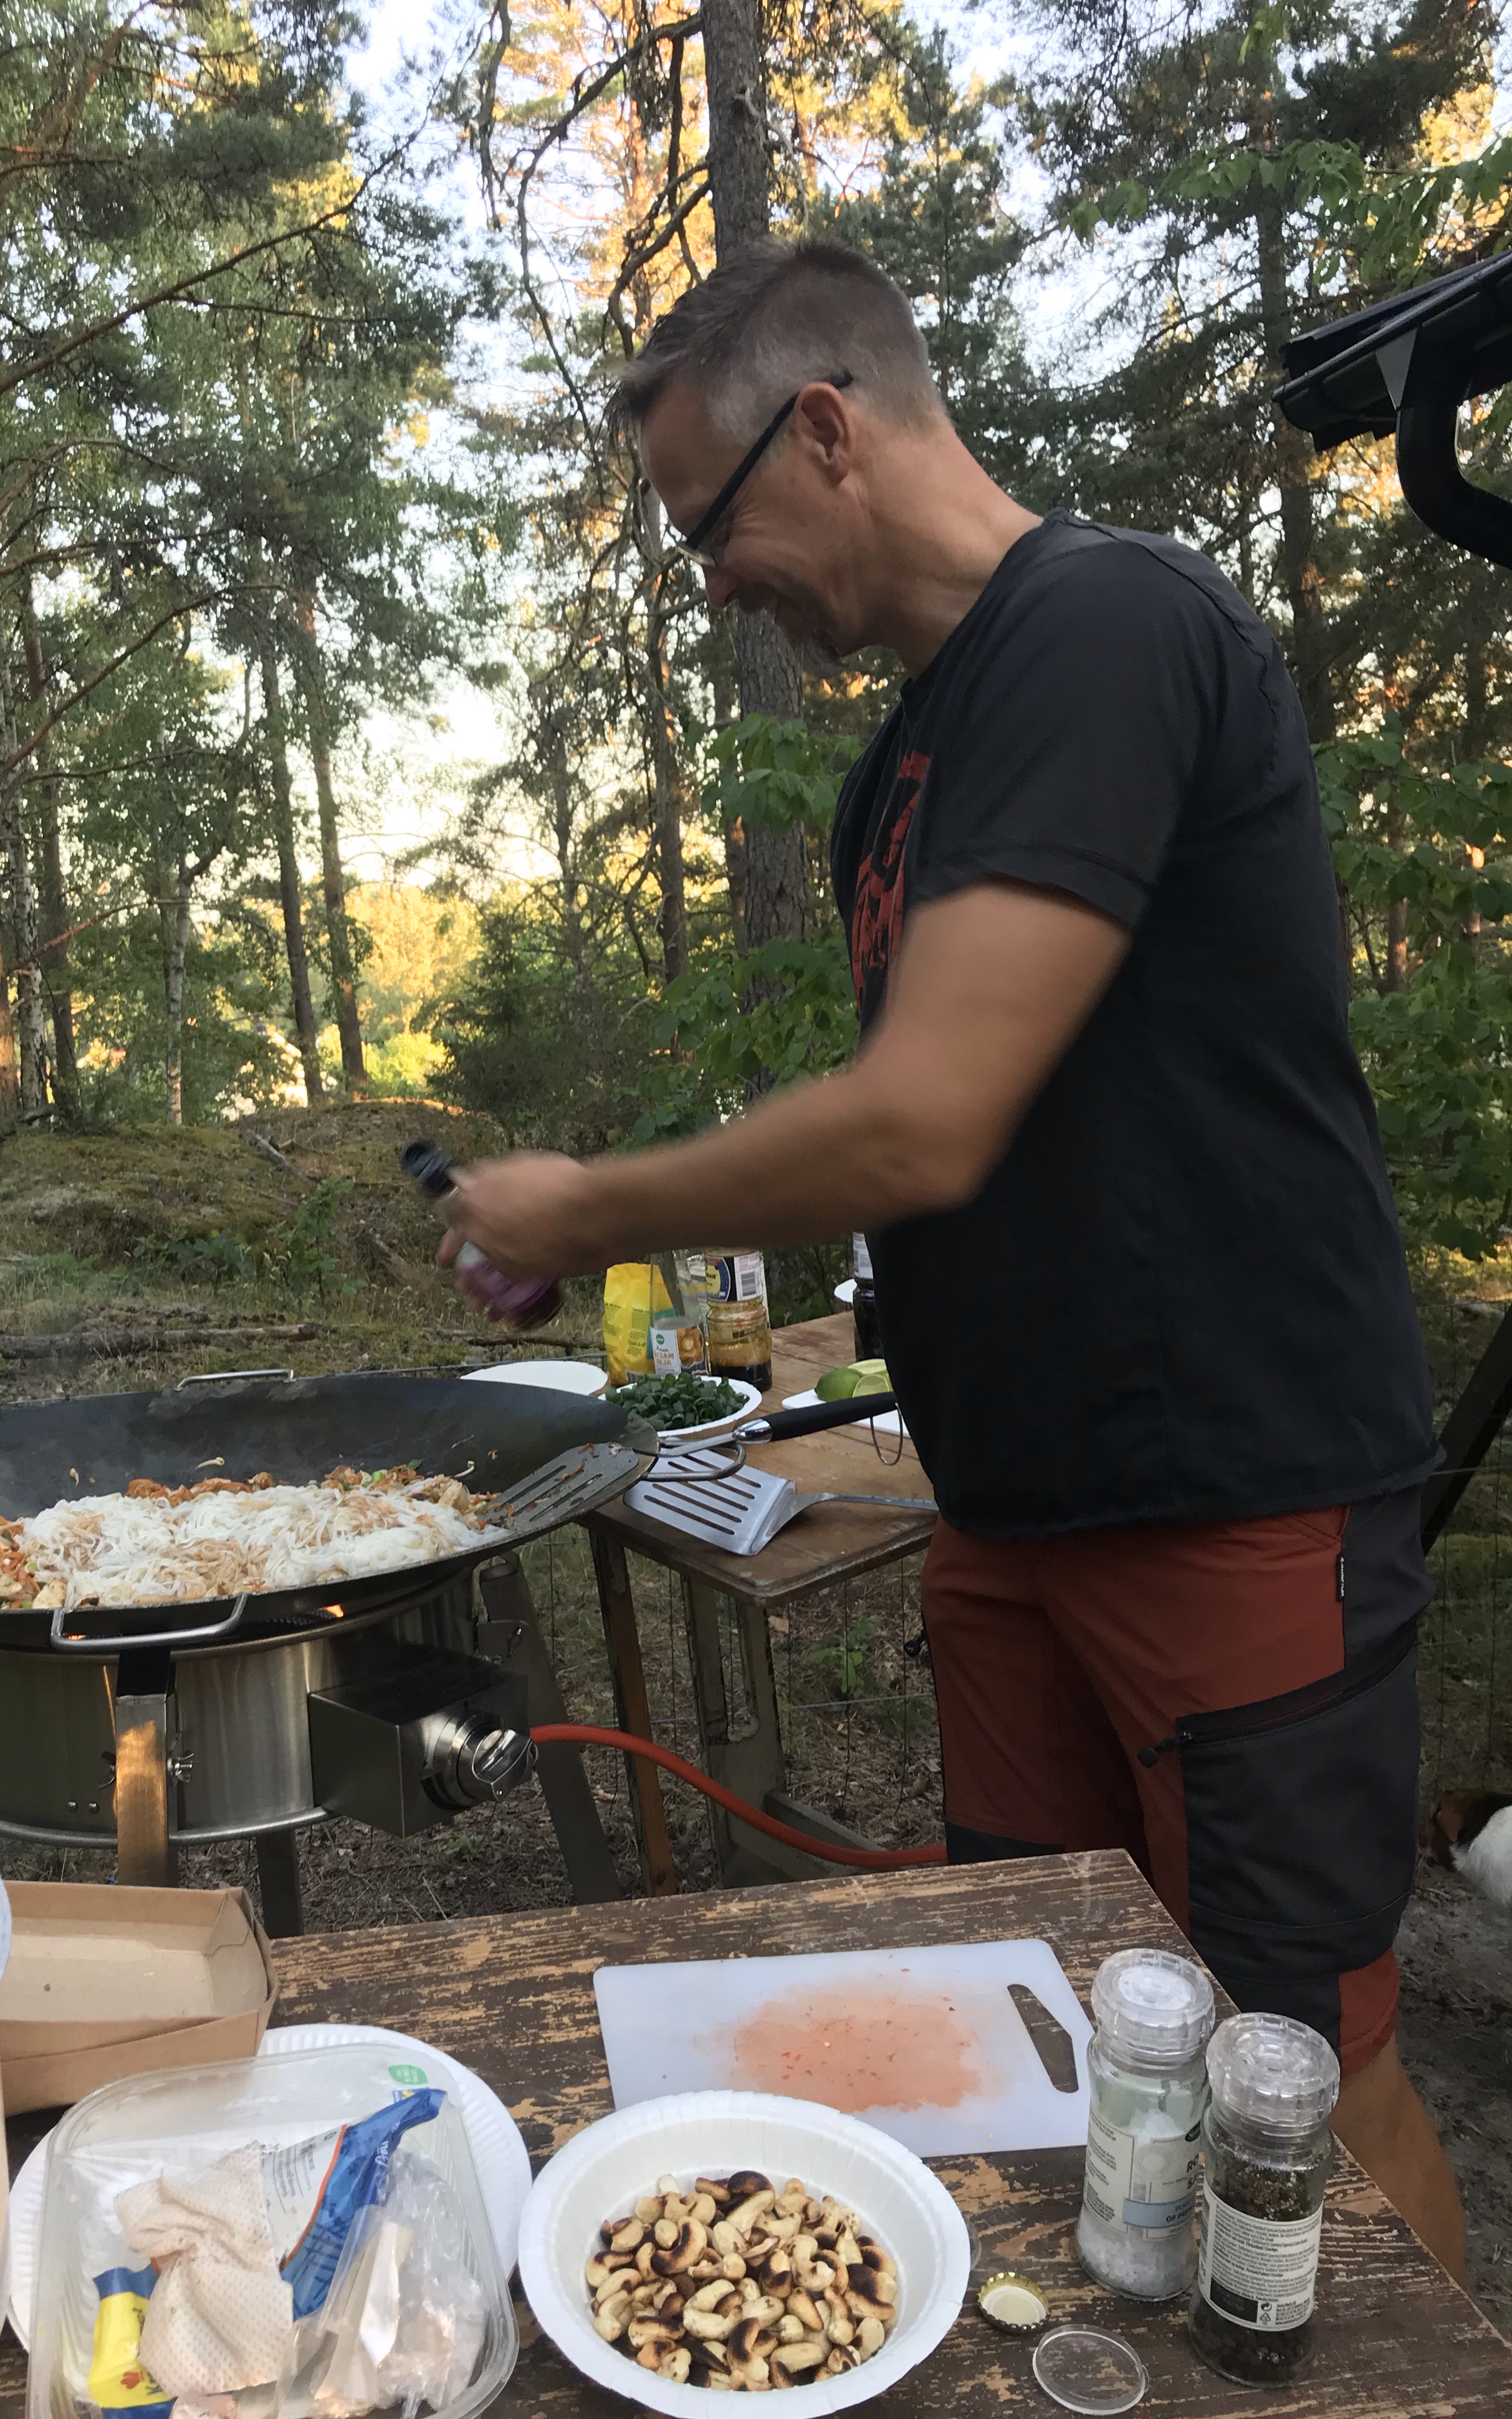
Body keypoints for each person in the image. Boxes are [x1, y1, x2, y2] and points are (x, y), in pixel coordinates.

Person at [433, 237, 1470, 2279]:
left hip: (1231, 1499)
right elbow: (970, 1146)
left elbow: (925, 1116)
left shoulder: (1104, 624)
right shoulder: (903, 771)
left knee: (1297, 2080)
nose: (711, 585)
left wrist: (588, 1202)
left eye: (710, 526)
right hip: (1011, 1514)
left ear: (828, 430)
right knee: (1044, 2020)